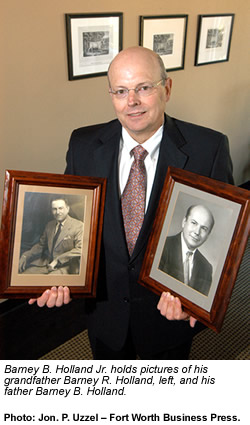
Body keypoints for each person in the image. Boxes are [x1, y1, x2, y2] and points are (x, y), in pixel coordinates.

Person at [29, 46, 234, 359]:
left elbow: (225, 238)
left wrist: (202, 301)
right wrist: (56, 278)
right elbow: (77, 217)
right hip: (105, 313)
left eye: (143, 88)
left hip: (168, 315)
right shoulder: (83, 144)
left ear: (167, 88)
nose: (132, 102)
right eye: (121, 91)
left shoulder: (209, 148)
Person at [159, 204, 215, 296]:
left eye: (204, 228)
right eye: (194, 223)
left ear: (208, 235)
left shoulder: (206, 268)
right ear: (184, 222)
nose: (197, 232)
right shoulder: (162, 246)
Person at [19, 197, 83, 274]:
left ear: (68, 209)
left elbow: (80, 249)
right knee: (25, 275)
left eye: (60, 208)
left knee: (47, 282)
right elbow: (41, 245)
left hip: (66, 267)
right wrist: (25, 255)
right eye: (54, 209)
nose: (58, 212)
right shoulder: (50, 225)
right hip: (47, 264)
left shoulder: (79, 225)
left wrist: (58, 260)